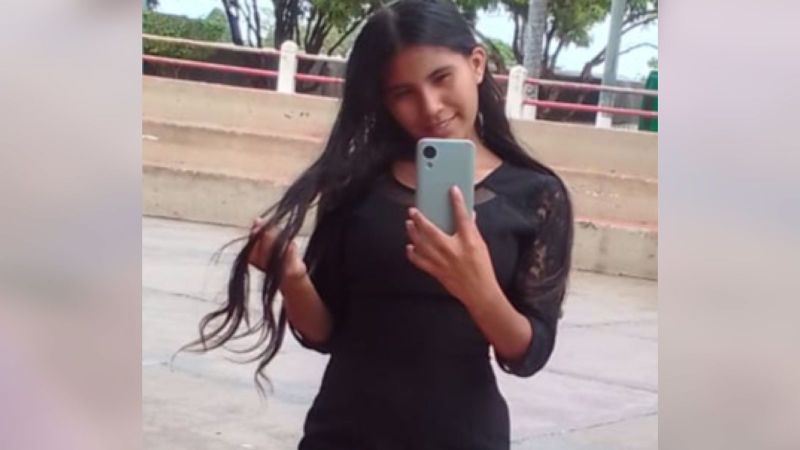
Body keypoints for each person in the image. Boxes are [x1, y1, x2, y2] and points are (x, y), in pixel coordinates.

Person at [184, 0, 573, 448]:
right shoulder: (356, 183)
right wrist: (290, 276)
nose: (430, 106)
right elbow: (324, 332)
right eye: (403, 93)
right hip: (343, 433)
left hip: (462, 435)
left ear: (477, 64)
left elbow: (528, 354)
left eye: (441, 78)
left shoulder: (536, 196)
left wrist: (477, 288)